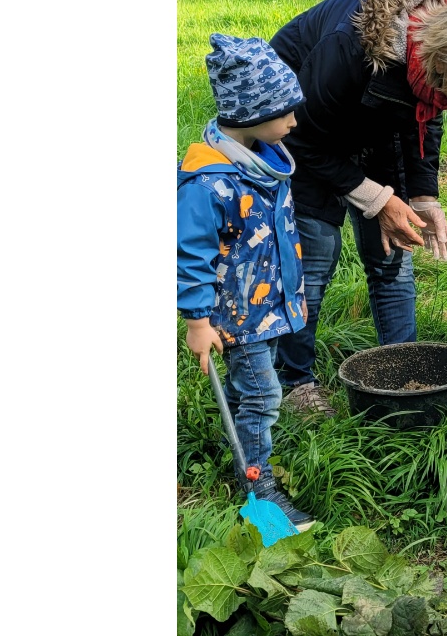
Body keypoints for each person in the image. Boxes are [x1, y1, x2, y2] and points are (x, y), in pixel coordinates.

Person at [268, 0, 447, 415]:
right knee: (314, 252)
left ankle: (404, 370)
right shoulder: (349, 47)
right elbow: (301, 137)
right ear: (442, 64)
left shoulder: (442, 55)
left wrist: (423, 196)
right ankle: (295, 382)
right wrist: (375, 197)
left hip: (374, 117)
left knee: (393, 251)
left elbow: (426, 116)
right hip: (300, 124)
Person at [177, 33, 316, 531]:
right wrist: (196, 321)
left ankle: (243, 447)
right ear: (253, 113)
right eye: (286, 113)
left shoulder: (262, 166)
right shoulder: (209, 183)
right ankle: (258, 484)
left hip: (264, 308)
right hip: (235, 314)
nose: (294, 122)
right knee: (263, 396)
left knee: (251, 390)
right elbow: (189, 255)